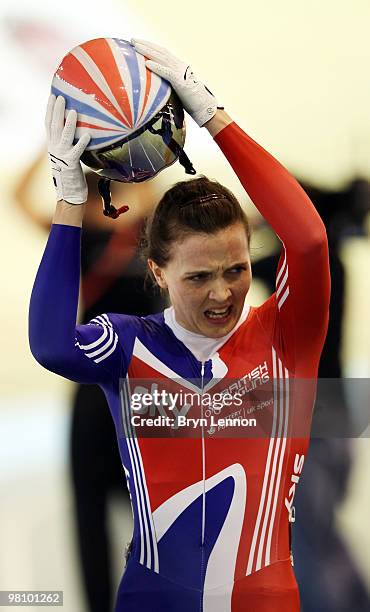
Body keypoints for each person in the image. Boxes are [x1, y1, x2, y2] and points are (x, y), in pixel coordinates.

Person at [29, 40, 330, 612]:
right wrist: (70, 198)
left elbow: (310, 240)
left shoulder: (286, 337)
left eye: (237, 269)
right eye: (198, 277)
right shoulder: (127, 345)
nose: (223, 292)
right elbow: (49, 344)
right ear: (158, 273)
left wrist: (215, 117)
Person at [16, 155, 166, 612]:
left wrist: (134, 146)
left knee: (160, 507)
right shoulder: (85, 233)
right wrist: (52, 149)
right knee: (91, 510)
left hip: (146, 388)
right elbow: (18, 198)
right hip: (96, 383)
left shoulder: (153, 231)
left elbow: (152, 194)